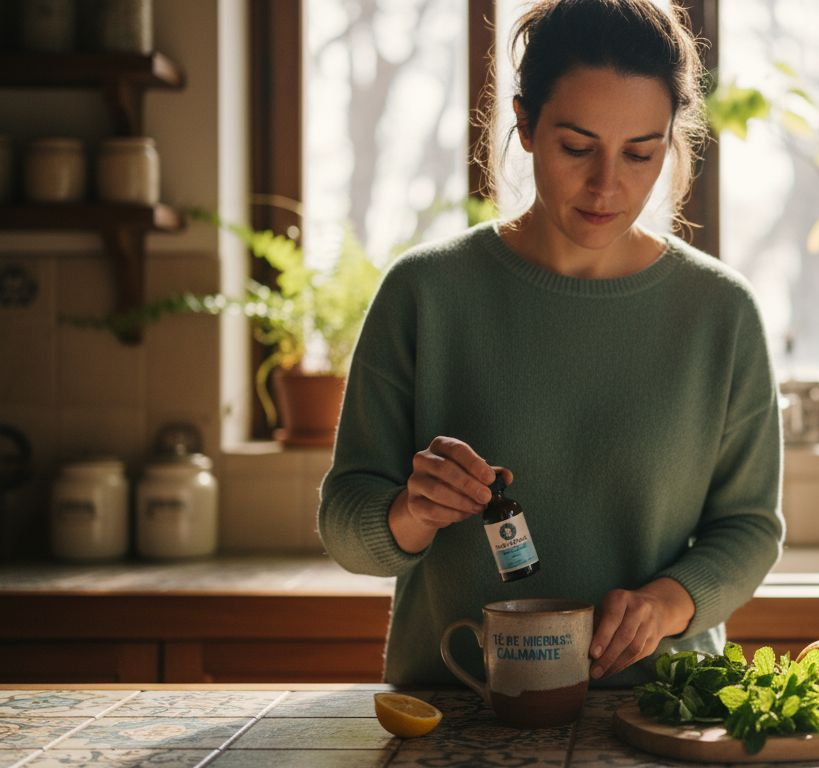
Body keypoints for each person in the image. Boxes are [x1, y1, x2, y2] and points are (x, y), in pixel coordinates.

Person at [319, 0, 783, 688]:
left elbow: (749, 528)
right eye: (577, 147)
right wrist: (410, 513)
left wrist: (666, 604)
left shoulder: (721, 313)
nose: (608, 185)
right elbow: (345, 523)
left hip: (656, 712)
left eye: (640, 153)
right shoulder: (426, 293)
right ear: (525, 124)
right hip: (461, 707)